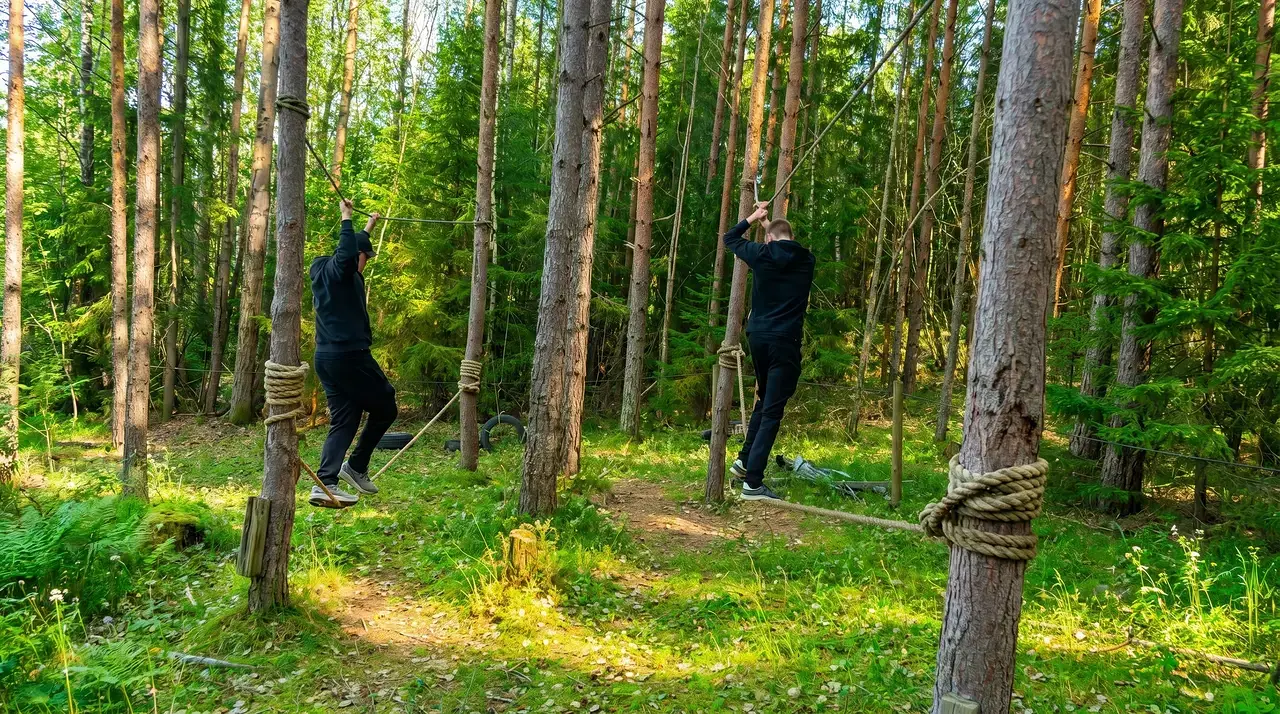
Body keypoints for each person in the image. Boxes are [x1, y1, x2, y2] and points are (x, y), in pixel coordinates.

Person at [308, 199, 398, 508]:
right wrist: (346, 218)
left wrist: (367, 227)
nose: (365, 264)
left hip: (327, 359)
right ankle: (356, 467)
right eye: (366, 258)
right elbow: (347, 255)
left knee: (345, 419)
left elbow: (350, 253)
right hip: (350, 356)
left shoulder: (328, 275)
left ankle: (326, 483)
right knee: (386, 405)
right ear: (355, 257)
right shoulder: (340, 272)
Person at [723, 201, 815, 500]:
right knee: (773, 410)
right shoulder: (806, 260)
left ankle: (743, 462)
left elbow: (731, 239)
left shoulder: (762, 254)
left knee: (765, 402)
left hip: (758, 338)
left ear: (769, 238)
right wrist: (769, 227)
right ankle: (753, 483)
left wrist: (754, 217)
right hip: (785, 342)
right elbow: (782, 248)